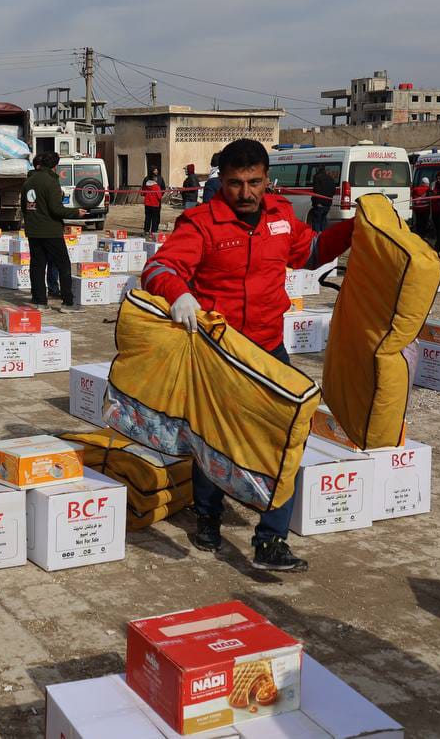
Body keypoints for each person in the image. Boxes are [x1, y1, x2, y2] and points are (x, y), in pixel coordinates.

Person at [141, 138, 354, 572]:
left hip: (270, 347)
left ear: (265, 178)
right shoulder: (201, 223)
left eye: (254, 182)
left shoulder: (281, 217)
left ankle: (270, 540)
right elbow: (159, 268)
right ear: (222, 180)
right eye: (235, 183)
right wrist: (179, 293)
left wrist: (354, 228)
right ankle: (208, 515)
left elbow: (310, 252)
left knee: (288, 435)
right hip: (219, 352)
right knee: (214, 439)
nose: (245, 193)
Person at [22, 152, 85, 310]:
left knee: (37, 265)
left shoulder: (28, 182)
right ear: (55, 166)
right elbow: (57, 210)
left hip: (33, 230)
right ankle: (68, 302)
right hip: (51, 231)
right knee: (63, 265)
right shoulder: (51, 182)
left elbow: (24, 207)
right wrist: (76, 213)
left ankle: (39, 301)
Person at [308, 167, 336, 232]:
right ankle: (324, 237)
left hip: (319, 204)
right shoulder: (330, 178)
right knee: (323, 220)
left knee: (316, 221)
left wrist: (317, 202)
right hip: (328, 204)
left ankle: (317, 237)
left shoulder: (317, 177)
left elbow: (316, 191)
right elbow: (333, 191)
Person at [142, 168, 164, 235]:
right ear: (154, 179)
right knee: (154, 218)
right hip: (155, 204)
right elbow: (159, 196)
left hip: (147, 204)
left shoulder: (146, 185)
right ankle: (153, 231)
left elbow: (142, 193)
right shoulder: (156, 187)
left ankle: (146, 230)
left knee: (147, 218)